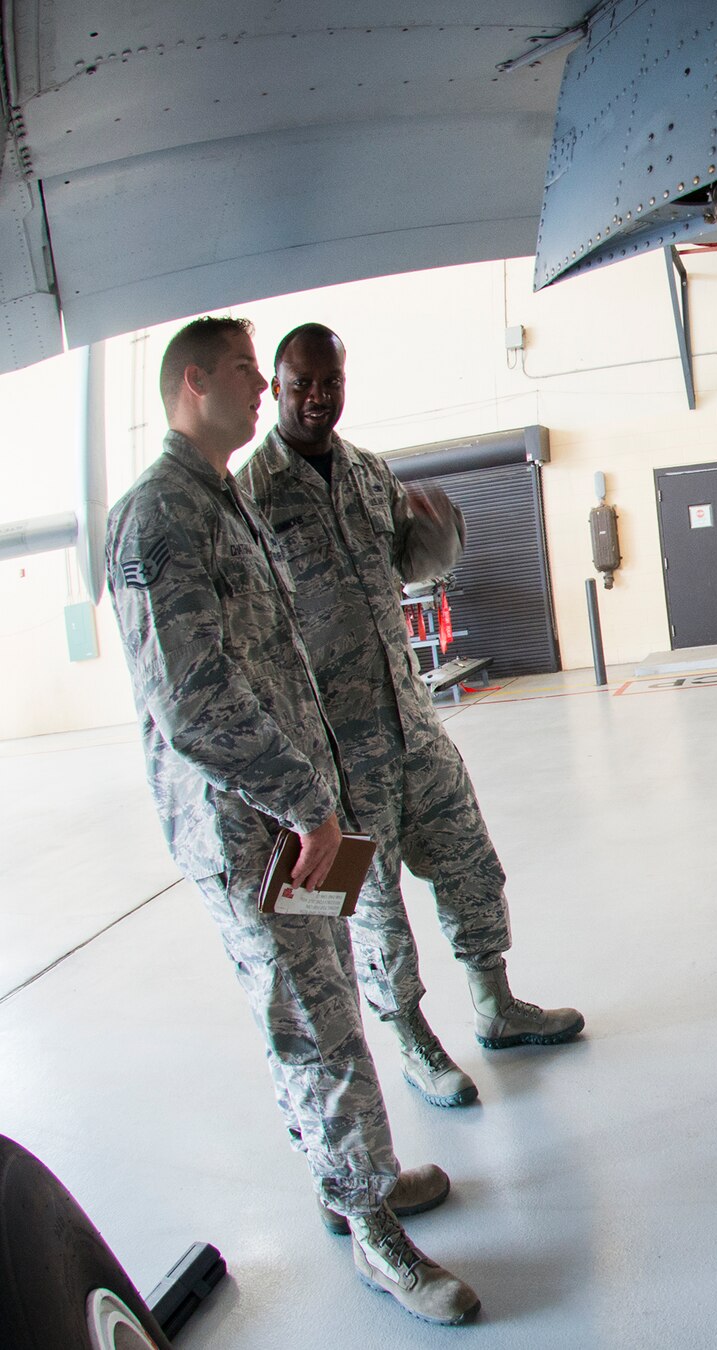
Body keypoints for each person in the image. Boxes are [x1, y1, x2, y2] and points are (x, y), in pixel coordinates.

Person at [105, 317, 477, 1323]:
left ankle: (351, 1181)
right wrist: (309, 800)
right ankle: (372, 1231)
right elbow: (194, 704)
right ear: (193, 384)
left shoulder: (217, 500)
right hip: (260, 831)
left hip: (304, 814)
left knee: (331, 1006)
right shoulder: (160, 518)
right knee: (313, 1023)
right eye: (241, 370)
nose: (262, 389)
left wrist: (320, 798)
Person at [237, 323, 582, 1110]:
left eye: (331, 381)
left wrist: (438, 530)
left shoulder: (366, 473)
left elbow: (416, 564)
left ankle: (495, 1006)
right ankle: (413, 1042)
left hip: (412, 728)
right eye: (302, 385)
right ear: (277, 389)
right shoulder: (253, 495)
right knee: (371, 914)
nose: (318, 397)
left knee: (470, 863)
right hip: (331, 758)